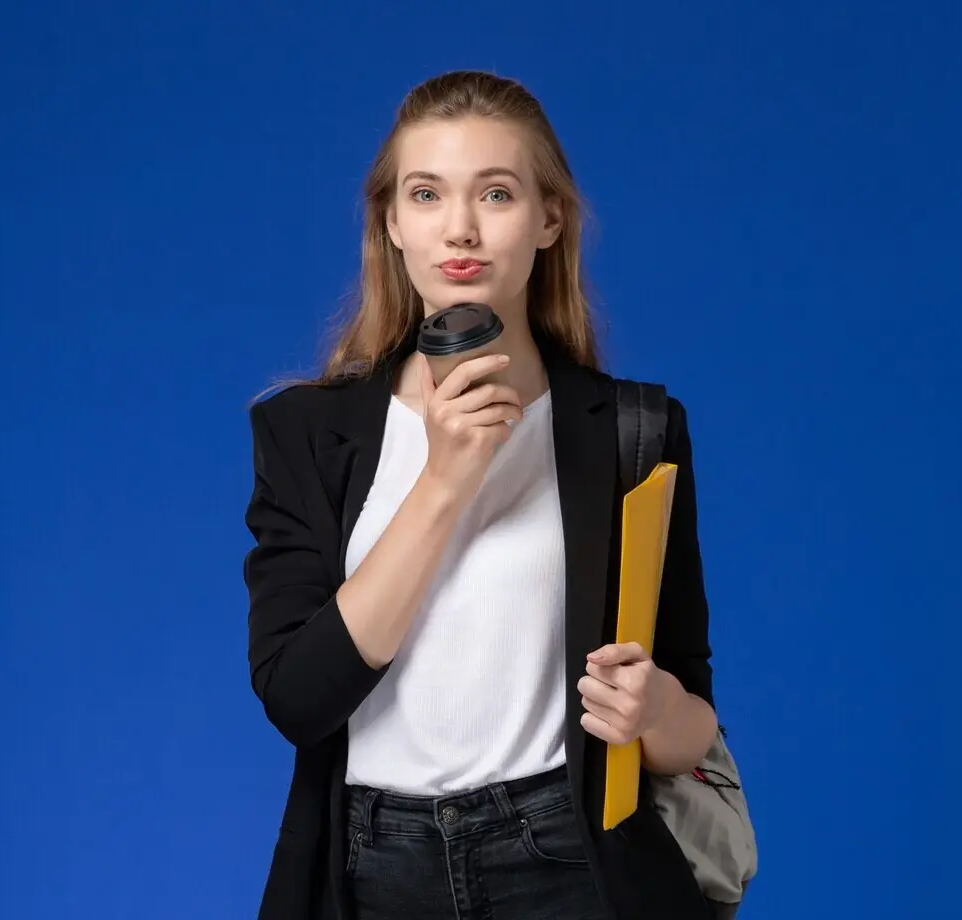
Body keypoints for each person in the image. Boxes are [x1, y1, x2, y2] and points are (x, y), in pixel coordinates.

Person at [241, 70, 721, 920]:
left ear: (548, 219)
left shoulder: (633, 432)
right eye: (426, 194)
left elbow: (692, 720)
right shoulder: (305, 434)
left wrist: (651, 709)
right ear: (391, 222)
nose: (459, 227)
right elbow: (298, 698)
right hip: (371, 867)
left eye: (495, 193)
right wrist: (443, 480)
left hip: (567, 859)